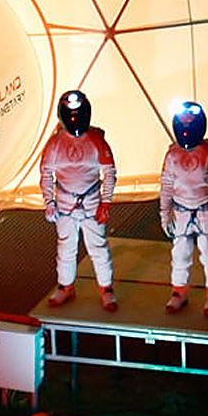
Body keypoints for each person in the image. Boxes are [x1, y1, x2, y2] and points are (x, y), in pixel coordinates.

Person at [40, 90, 118, 311]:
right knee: (66, 247)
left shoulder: (96, 141)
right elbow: (46, 174)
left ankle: (106, 289)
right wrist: (49, 203)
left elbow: (109, 173)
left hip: (91, 203)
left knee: (98, 247)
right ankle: (66, 287)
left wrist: (105, 203)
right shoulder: (55, 144)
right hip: (65, 205)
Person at [158, 101, 208, 316]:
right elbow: (166, 186)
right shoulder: (172, 156)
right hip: (181, 211)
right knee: (180, 254)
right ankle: (179, 293)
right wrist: (164, 215)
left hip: (205, 209)